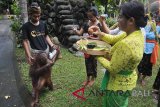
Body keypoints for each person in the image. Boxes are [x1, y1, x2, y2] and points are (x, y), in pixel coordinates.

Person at [90, 1, 147, 106]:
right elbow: (113, 38)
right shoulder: (136, 33)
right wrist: (100, 34)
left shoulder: (127, 44)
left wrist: (96, 54)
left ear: (131, 20)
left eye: (120, 17)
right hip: (128, 80)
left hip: (118, 85)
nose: (117, 20)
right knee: (122, 103)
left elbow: (113, 68)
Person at [21, 2, 60, 96]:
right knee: (35, 73)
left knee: (47, 69)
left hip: (45, 51)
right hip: (35, 53)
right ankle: (35, 89)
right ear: (30, 15)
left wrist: (52, 45)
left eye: (38, 16)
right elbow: (25, 41)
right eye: (35, 16)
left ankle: (49, 84)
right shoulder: (26, 26)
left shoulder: (43, 24)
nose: (37, 18)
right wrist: (28, 55)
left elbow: (46, 36)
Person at [71, 8, 108, 86]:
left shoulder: (100, 25)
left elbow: (104, 35)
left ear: (96, 16)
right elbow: (80, 33)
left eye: (91, 17)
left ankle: (93, 78)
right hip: (86, 46)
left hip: (96, 46)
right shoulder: (86, 24)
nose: (90, 18)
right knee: (87, 61)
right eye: (88, 17)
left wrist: (95, 37)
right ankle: (87, 78)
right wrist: (75, 30)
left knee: (94, 62)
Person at [138, 16, 160, 86]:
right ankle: (139, 74)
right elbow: (145, 34)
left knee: (148, 65)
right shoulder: (148, 25)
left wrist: (156, 35)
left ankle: (143, 79)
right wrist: (154, 35)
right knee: (141, 63)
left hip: (152, 49)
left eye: (157, 21)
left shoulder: (158, 28)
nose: (155, 22)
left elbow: (156, 37)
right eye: (155, 20)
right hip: (144, 47)